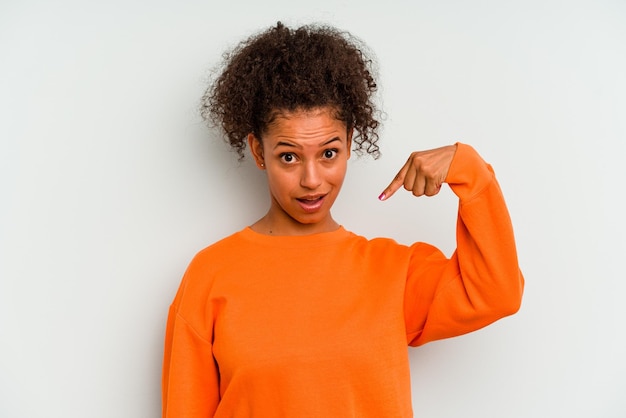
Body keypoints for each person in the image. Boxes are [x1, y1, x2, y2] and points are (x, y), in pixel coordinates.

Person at [161, 21, 524, 417]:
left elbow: (498, 292)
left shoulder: (391, 273)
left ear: (350, 142)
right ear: (258, 151)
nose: (312, 179)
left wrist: (469, 169)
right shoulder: (210, 276)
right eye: (289, 156)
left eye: (328, 153)